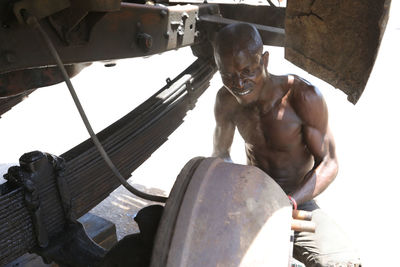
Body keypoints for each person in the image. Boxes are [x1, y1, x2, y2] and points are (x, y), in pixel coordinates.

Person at [212, 23, 361, 267]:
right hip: (252, 200)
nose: (238, 83)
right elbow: (220, 155)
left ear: (265, 61)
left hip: (298, 201)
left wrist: (289, 201)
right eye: (228, 75)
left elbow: (330, 162)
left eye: (247, 71)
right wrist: (231, 195)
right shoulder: (226, 100)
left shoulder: (303, 96)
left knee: (343, 262)